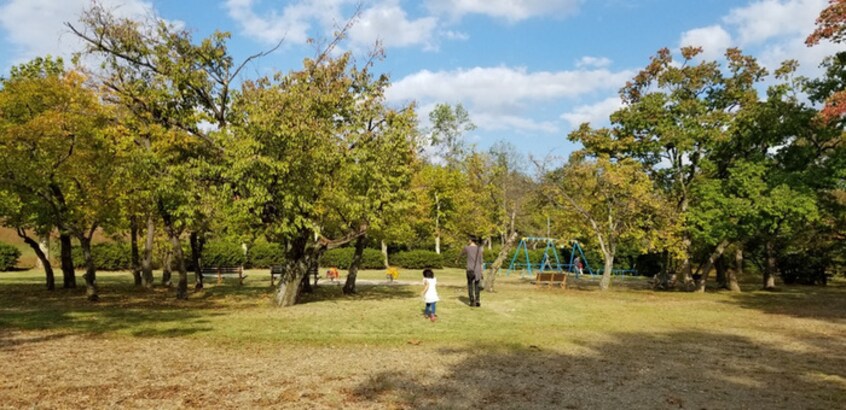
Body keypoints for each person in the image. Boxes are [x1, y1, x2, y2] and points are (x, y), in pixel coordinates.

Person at [461, 237, 484, 307]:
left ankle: (472, 301)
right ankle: (477, 300)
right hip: (477, 270)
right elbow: (481, 261)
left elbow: (462, 254)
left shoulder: (467, 248)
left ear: (470, 240)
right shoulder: (479, 249)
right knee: (477, 285)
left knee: (470, 285)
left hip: (470, 269)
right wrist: (482, 271)